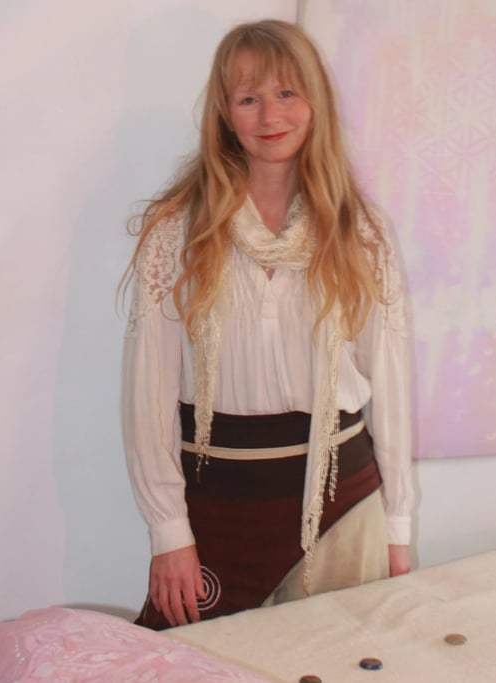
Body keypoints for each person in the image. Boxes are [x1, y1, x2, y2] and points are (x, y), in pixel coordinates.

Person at [121, 18, 415, 631]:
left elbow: (390, 387)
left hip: (341, 503)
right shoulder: (178, 233)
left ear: (315, 102)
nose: (269, 114)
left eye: (287, 93)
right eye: (248, 98)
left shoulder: (361, 232)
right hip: (219, 504)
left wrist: (397, 528)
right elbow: (147, 396)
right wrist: (168, 532)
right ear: (225, 115)